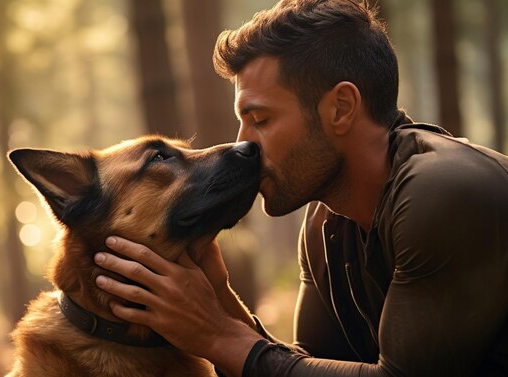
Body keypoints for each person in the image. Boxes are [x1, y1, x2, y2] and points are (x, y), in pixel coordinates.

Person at [92, 0, 508, 376]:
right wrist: (218, 295)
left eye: (261, 119)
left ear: (340, 109)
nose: (243, 143)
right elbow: (299, 366)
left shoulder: (445, 191)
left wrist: (216, 335)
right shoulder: (326, 222)